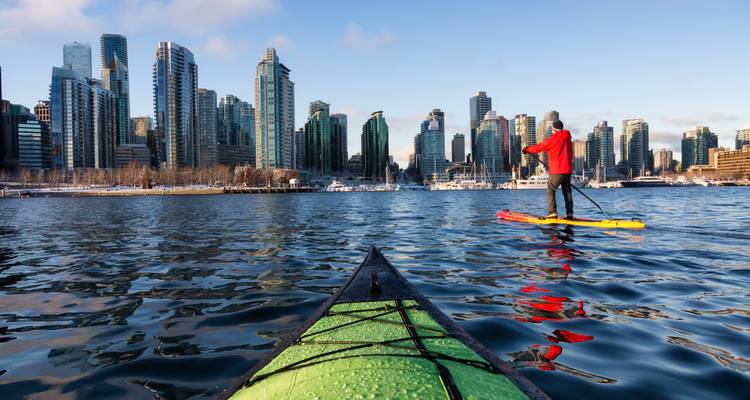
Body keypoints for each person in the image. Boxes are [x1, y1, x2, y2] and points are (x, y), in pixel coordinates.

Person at [522, 120, 574, 219]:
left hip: (557, 170)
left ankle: (552, 213)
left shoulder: (553, 139)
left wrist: (527, 149)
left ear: (553, 129)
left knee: (550, 190)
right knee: (567, 192)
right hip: (567, 170)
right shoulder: (568, 140)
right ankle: (570, 213)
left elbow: (539, 147)